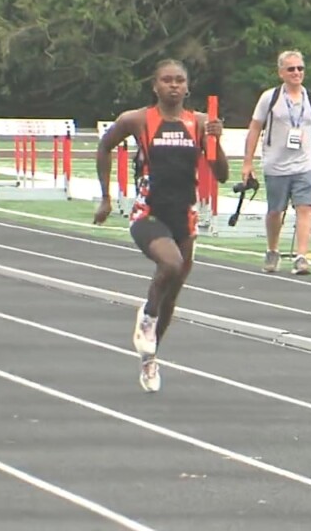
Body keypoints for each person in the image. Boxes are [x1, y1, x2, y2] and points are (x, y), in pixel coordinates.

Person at [93, 59, 229, 393]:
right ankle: (147, 316)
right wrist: (106, 197)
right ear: (155, 86)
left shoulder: (199, 123)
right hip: (148, 213)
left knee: (173, 293)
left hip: (184, 216)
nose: (173, 86)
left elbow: (222, 174)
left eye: (179, 80)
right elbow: (105, 146)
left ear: (187, 87)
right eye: (167, 80)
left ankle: (150, 357)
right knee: (170, 264)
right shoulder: (137, 119)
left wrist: (216, 140)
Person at [242, 50, 311, 276]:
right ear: (281, 72)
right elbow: (255, 128)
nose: (296, 72)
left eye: (300, 68)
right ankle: (272, 250)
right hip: (276, 165)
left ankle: (301, 256)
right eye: (291, 69)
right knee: (275, 211)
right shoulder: (270, 98)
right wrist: (247, 163)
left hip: (305, 164)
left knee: (305, 209)